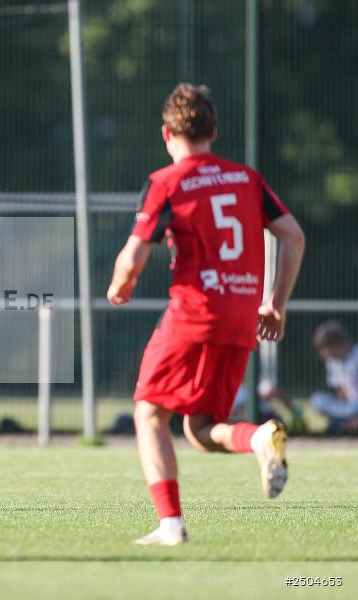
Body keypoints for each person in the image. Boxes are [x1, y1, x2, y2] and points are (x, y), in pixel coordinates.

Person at [106, 83, 305, 545]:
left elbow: (134, 254)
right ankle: (259, 438)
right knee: (198, 430)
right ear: (213, 131)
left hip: (195, 312)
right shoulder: (245, 178)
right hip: (242, 316)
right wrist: (275, 302)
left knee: (149, 413)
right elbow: (293, 236)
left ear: (166, 134)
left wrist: (121, 284)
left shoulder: (166, 182)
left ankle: (171, 525)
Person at [309, 320, 358, 433]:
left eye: (324, 350)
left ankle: (345, 423)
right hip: (349, 406)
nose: (322, 355)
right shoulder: (332, 363)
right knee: (317, 400)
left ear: (336, 346)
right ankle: (346, 422)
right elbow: (341, 391)